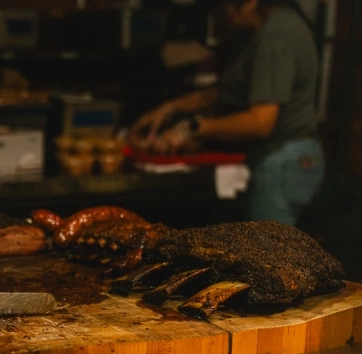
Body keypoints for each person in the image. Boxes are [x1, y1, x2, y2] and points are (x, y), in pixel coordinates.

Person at [129, 0, 322, 225]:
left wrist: (192, 128)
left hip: (284, 162)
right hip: (281, 160)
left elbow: (261, 122)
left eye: (224, 8)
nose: (221, 16)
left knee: (270, 256)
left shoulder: (277, 33)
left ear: (249, 3)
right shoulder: (261, 31)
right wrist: (170, 108)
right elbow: (224, 90)